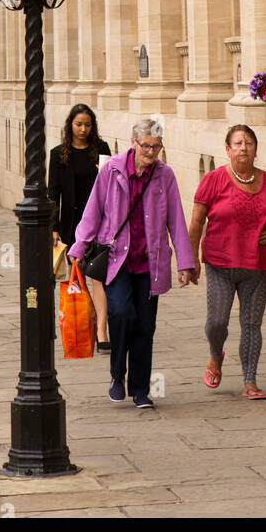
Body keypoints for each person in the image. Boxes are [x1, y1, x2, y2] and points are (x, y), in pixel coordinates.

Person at [69, 118, 195, 409]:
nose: (151, 153)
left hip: (150, 262)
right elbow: (93, 211)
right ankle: (117, 375)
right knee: (122, 313)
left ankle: (140, 390)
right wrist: (79, 247)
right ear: (133, 142)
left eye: (157, 147)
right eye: (146, 146)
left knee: (145, 327)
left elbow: (176, 220)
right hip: (117, 259)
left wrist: (185, 263)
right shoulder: (111, 170)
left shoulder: (165, 176)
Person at [188, 124, 266, 400]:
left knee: (252, 324)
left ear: (256, 149)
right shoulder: (214, 180)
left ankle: (250, 381)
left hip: (257, 265)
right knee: (217, 322)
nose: (243, 148)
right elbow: (196, 221)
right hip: (220, 262)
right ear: (227, 149)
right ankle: (214, 354)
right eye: (237, 143)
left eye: (249, 143)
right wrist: (192, 260)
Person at [48, 104, 111, 350]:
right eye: (78, 124)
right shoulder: (58, 154)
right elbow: (53, 192)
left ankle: (102, 332)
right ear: (70, 126)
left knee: (98, 275)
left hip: (99, 222)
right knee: (74, 277)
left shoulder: (102, 150)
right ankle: (78, 322)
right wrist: (53, 227)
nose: (83, 129)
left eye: (87, 124)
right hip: (71, 224)